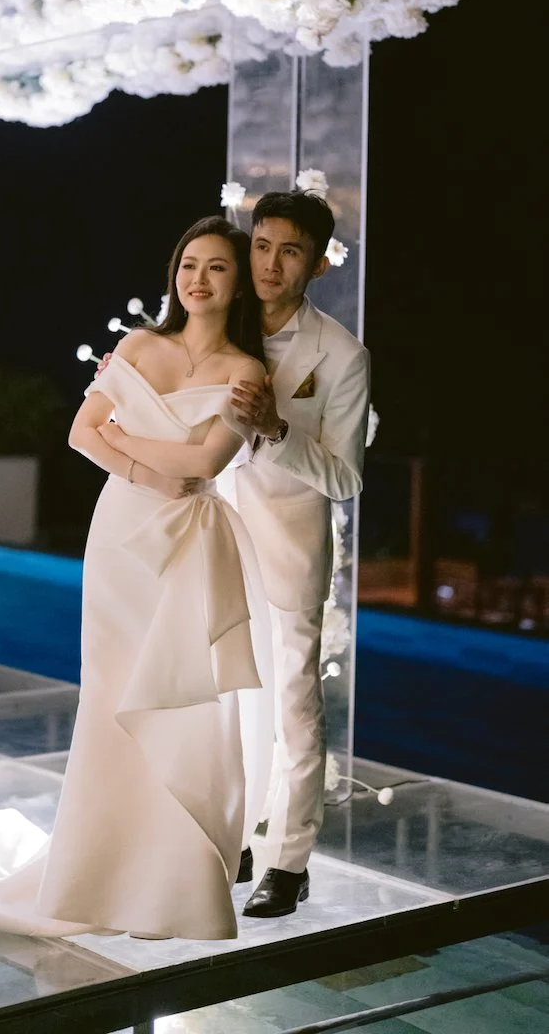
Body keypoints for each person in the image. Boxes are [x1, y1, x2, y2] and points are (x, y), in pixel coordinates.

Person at [0, 216, 274, 941]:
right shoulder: (138, 345)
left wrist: (132, 446)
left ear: (238, 285)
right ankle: (96, 870)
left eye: (217, 268)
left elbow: (204, 466)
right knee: (111, 698)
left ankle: (174, 878)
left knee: (186, 704)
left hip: (190, 542)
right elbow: (81, 432)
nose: (198, 279)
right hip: (120, 541)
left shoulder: (248, 372)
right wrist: (145, 467)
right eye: (188, 264)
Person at [225, 189, 370, 918]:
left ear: (316, 264)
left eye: (289, 252)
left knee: (293, 704)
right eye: (261, 245)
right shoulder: (218, 324)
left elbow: (345, 477)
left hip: (287, 548)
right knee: (229, 695)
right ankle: (242, 832)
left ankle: (291, 860)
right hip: (214, 539)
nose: (270, 264)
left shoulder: (342, 355)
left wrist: (280, 429)